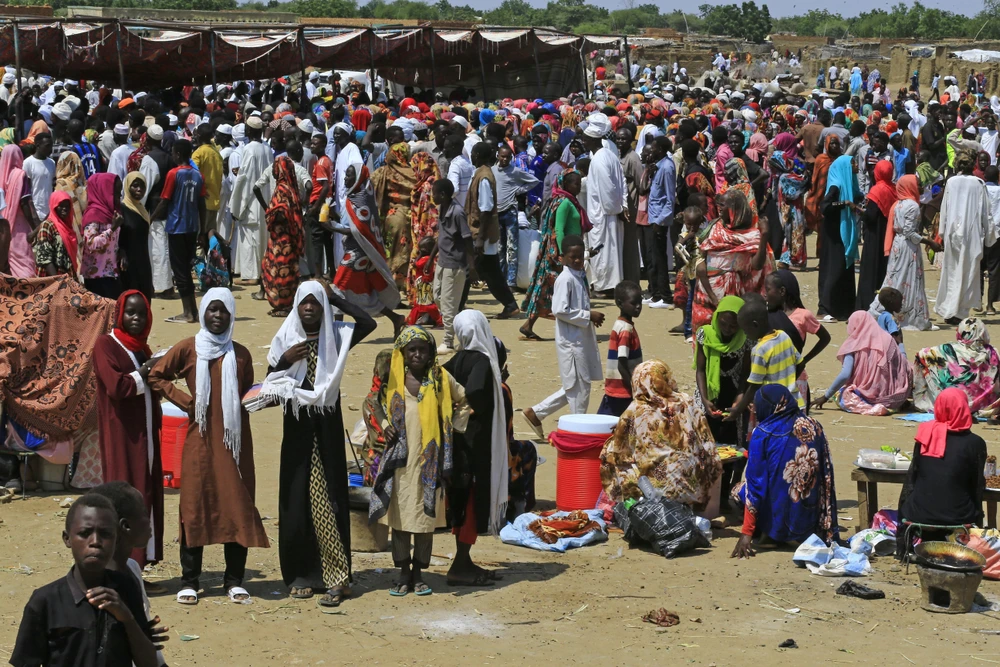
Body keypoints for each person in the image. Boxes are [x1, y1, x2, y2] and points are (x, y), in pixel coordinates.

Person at [148, 288, 270, 605]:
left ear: (231, 316)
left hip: (234, 444)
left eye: (223, 311)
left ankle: (234, 580)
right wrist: (185, 401)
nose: (217, 316)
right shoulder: (189, 349)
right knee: (194, 505)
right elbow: (156, 376)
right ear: (203, 314)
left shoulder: (240, 355)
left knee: (237, 504)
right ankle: (190, 581)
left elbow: (244, 397)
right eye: (212, 310)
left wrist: (264, 396)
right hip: (198, 442)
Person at [262, 281, 376, 607]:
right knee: (296, 501)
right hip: (297, 429)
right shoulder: (286, 339)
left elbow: (368, 324)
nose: (310, 308)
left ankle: (337, 577)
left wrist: (336, 298)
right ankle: (300, 574)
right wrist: (284, 361)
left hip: (325, 428)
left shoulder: (335, 336)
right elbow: (270, 381)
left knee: (327, 497)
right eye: (305, 303)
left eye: (316, 303)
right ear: (296, 307)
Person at [368, 326, 469, 597]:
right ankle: (403, 572)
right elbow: (372, 403)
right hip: (399, 462)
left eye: (422, 349)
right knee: (400, 517)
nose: (417, 354)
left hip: (430, 460)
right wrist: (385, 423)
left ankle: (419, 573)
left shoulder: (441, 378)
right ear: (402, 351)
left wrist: (450, 429)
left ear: (430, 352)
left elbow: (463, 400)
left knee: (425, 520)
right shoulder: (393, 378)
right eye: (411, 349)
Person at [10, 494, 158, 667]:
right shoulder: (45, 601)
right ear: (67, 539)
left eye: (105, 534)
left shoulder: (125, 587)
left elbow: (149, 663)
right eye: (84, 533)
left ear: (116, 539)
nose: (95, 542)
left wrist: (127, 618)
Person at [93, 290, 163, 569]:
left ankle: (139, 566)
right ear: (119, 315)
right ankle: (122, 567)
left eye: (141, 313)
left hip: (145, 433)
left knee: (145, 491)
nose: (136, 319)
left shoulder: (140, 348)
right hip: (123, 434)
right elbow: (117, 387)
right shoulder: (106, 345)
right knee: (125, 494)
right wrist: (146, 370)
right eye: (130, 313)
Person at [731, 384, 838, 558]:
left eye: (758, 405)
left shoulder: (763, 432)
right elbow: (825, 474)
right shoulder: (813, 425)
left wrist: (746, 533)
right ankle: (799, 532)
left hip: (778, 508)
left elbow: (756, 486)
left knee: (738, 491)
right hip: (809, 513)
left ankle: (769, 534)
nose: (756, 411)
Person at [599, 359, 722, 508]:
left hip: (654, 491)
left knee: (610, 452)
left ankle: (634, 501)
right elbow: (708, 445)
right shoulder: (687, 401)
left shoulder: (636, 409)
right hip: (693, 489)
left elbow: (619, 452)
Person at [443, 310, 507, 586]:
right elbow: (477, 391)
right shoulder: (481, 360)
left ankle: (464, 561)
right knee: (470, 501)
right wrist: (472, 407)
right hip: (474, 443)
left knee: (461, 499)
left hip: (458, 442)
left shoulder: (457, 358)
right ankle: (460, 565)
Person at [521, 235, 604, 437]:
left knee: (576, 386)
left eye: (579, 256)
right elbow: (559, 310)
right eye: (572, 257)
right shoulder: (565, 279)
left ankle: (536, 413)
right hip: (571, 342)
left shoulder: (577, 275)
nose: (577, 260)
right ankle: (577, 432)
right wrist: (588, 315)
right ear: (562, 258)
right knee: (579, 388)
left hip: (580, 338)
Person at [90, 482, 168, 667]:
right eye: (143, 512)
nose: (148, 518)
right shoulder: (99, 587)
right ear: (125, 526)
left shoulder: (132, 567)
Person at [897, 388, 986, 537]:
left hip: (917, 514)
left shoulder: (925, 434)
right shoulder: (975, 443)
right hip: (959, 516)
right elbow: (976, 485)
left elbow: (914, 476)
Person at [331, 165, 405, 334]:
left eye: (349, 176)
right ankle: (395, 318)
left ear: (358, 178)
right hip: (356, 251)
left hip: (358, 253)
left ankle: (336, 330)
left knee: (338, 288)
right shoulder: (356, 195)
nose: (345, 179)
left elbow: (359, 229)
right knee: (358, 294)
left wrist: (332, 228)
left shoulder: (362, 197)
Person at [520, 171, 587, 340]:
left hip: (566, 253)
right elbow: (559, 229)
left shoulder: (568, 201)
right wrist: (564, 254)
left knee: (547, 288)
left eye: (579, 184)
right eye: (575, 184)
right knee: (553, 289)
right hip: (562, 255)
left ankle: (529, 325)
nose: (578, 187)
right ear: (565, 185)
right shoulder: (564, 203)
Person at [691, 189, 770, 331]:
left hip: (733, 293)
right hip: (706, 290)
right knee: (704, 332)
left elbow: (757, 265)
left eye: (723, 204)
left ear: (735, 208)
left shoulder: (751, 235)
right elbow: (700, 252)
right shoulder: (714, 227)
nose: (718, 207)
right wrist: (699, 265)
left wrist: (764, 236)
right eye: (718, 203)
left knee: (730, 331)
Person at [935, 150, 996, 325]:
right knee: (968, 273)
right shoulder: (978, 184)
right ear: (973, 165)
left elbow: (944, 209)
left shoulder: (951, 182)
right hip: (971, 236)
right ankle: (960, 312)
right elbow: (986, 213)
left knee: (951, 271)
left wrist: (942, 232)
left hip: (953, 234)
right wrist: (991, 236)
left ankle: (949, 309)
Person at [812, 311, 910, 416]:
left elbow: (845, 374)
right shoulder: (888, 340)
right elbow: (903, 366)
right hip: (895, 398)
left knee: (842, 393)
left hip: (869, 397)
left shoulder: (853, 345)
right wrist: (901, 345)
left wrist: (826, 396)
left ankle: (874, 404)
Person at [150, 139, 206, 323]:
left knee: (180, 271)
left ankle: (188, 312)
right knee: (185, 269)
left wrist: (149, 220)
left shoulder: (174, 174)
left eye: (174, 153)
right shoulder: (198, 175)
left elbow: (165, 201)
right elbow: (201, 204)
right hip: (192, 227)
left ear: (178, 154)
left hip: (176, 226)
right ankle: (193, 310)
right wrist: (203, 229)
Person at [727, 297, 802, 425]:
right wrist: (789, 382)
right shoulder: (783, 336)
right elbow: (800, 364)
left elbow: (754, 385)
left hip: (774, 408)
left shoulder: (759, 349)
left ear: (755, 325)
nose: (746, 335)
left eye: (746, 331)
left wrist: (738, 410)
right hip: (795, 401)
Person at [765, 270, 831, 406]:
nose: (764, 294)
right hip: (769, 375)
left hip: (795, 375)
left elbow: (825, 338)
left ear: (782, 291)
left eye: (768, 289)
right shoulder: (767, 314)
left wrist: (804, 359)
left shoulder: (803, 315)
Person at [913, 317, 1000, 415]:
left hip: (953, 403)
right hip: (983, 405)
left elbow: (922, 354)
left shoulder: (948, 350)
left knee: (924, 360)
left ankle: (931, 401)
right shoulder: (992, 353)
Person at [582, 113, 626, 294]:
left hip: (604, 214)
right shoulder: (608, 153)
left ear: (591, 139)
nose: (583, 141)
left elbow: (608, 191)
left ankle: (605, 286)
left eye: (584, 138)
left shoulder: (600, 159)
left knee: (604, 252)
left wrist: (614, 209)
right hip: (608, 212)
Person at [818, 154, 862, 322]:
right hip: (834, 232)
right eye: (852, 163)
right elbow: (825, 206)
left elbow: (857, 196)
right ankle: (824, 308)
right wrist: (845, 204)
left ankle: (843, 308)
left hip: (843, 231)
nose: (855, 165)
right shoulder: (836, 185)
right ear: (844, 167)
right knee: (833, 269)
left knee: (845, 269)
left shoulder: (850, 183)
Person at [258, 156, 304, 316]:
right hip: (284, 239)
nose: (272, 171)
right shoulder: (290, 188)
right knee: (282, 270)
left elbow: (283, 213)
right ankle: (281, 305)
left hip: (282, 240)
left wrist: (271, 213)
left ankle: (283, 306)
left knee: (280, 273)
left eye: (274, 168)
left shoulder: (283, 189)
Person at [432, 178, 471, 354]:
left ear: (442, 195)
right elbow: (442, 236)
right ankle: (460, 331)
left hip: (455, 265)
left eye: (434, 193)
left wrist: (471, 266)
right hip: (442, 262)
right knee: (437, 296)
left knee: (448, 304)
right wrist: (430, 258)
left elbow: (467, 239)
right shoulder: (443, 209)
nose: (432, 196)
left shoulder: (457, 213)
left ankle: (448, 341)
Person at [371, 142, 415, 288]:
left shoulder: (382, 172)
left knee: (389, 253)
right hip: (410, 218)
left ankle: (389, 287)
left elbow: (368, 188)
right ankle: (401, 285)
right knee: (404, 253)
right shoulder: (414, 173)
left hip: (390, 218)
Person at [599, 280, 643, 418]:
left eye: (640, 303)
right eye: (633, 303)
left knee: (608, 418)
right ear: (619, 303)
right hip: (622, 389)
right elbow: (621, 363)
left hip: (616, 386)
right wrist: (633, 387)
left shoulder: (621, 324)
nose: (638, 307)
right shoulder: (625, 329)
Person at [856, 161, 894, 310]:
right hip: (888, 236)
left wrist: (858, 210)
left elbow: (870, 216)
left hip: (874, 236)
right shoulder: (894, 189)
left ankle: (866, 305)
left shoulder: (876, 191)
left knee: (869, 272)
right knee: (883, 270)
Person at [81, 173, 123, 299]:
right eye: (115, 193)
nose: (119, 197)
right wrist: (112, 228)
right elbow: (91, 244)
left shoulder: (112, 212)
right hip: (97, 276)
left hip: (110, 273)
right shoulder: (93, 215)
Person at [0, 144, 40, 277]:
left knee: (11, 260)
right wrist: (36, 227)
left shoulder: (1, 175)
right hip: (20, 224)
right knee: (24, 260)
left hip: (4, 224)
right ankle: (27, 290)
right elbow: (24, 202)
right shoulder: (20, 174)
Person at [407, 151, 442, 304]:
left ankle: (424, 303)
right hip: (429, 233)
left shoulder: (427, 186)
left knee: (422, 266)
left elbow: (427, 214)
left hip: (426, 234)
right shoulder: (433, 182)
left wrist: (422, 239)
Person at [645, 135, 675, 308]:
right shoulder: (657, 167)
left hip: (659, 220)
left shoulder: (667, 168)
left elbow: (669, 198)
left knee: (660, 259)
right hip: (653, 216)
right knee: (654, 258)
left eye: (654, 148)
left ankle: (665, 295)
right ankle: (656, 294)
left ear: (661, 150)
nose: (652, 151)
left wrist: (661, 221)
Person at [118, 172, 154, 300]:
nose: (139, 189)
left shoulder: (142, 209)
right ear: (127, 187)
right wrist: (122, 252)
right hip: (128, 266)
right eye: (135, 186)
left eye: (142, 186)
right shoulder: (122, 210)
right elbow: (119, 238)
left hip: (143, 262)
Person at [32, 190, 77, 277]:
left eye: (67, 206)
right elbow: (44, 258)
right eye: (61, 205)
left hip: (67, 278)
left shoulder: (68, 227)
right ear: (54, 206)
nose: (65, 209)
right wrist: (57, 281)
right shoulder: (47, 226)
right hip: (51, 279)